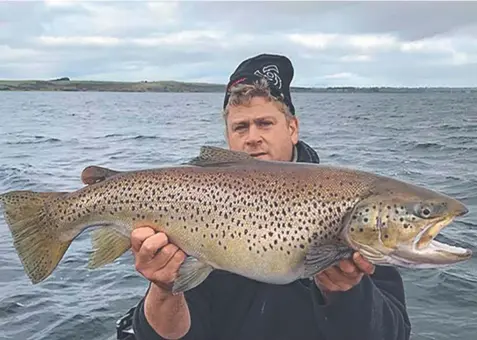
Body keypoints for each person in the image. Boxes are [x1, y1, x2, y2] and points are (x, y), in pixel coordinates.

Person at [130, 54, 412, 340]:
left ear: (292, 128)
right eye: (241, 127)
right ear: (228, 137)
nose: (252, 137)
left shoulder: (352, 207)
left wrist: (349, 293)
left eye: (264, 123)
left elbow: (394, 334)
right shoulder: (191, 203)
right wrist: (164, 289)